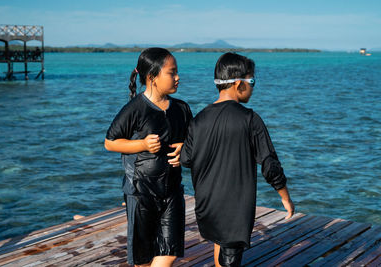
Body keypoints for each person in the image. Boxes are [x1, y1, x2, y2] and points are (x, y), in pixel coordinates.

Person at [180, 52, 294, 267]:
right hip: (234, 209)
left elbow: (186, 159)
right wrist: (285, 197)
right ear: (239, 84)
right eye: (252, 81)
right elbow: (270, 165)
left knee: (219, 245)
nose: (253, 87)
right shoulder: (249, 119)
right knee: (229, 259)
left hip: (206, 206)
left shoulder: (198, 119)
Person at [105, 47, 192, 267]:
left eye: (177, 72)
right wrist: (142, 144)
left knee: (170, 250)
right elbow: (110, 142)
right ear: (152, 77)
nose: (177, 77)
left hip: (172, 190)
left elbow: (194, 140)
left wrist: (184, 148)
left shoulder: (181, 108)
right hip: (140, 192)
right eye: (171, 73)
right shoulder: (135, 109)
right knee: (143, 258)